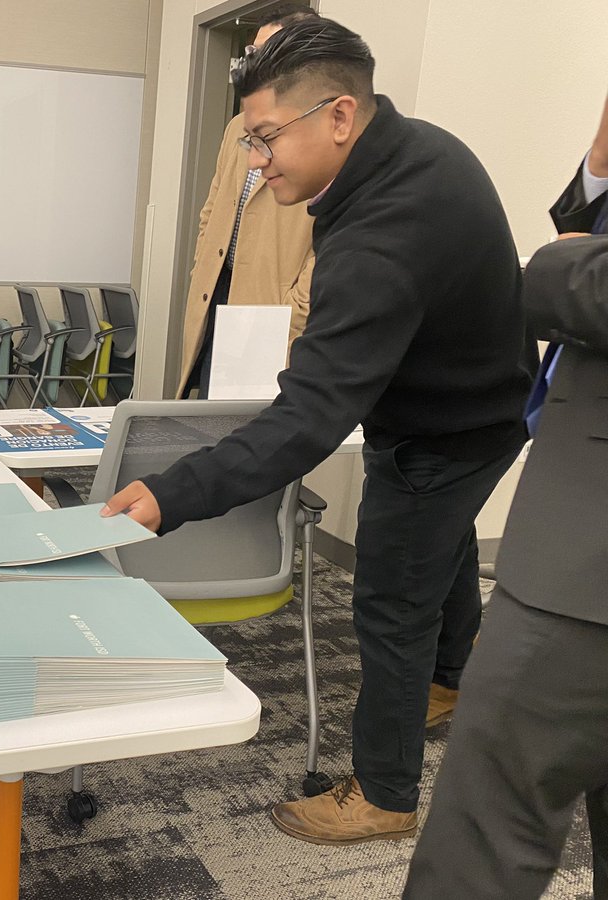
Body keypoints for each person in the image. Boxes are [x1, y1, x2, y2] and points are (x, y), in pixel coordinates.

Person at [101, 18, 536, 845]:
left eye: (266, 140)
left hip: (448, 431)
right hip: (481, 404)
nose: (258, 164)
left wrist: (171, 492)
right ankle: (451, 677)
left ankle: (385, 794)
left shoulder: (382, 234)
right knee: (436, 552)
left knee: (389, 598)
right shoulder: (412, 149)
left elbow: (305, 423)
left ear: (338, 116)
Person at [402, 92, 608, 900]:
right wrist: (597, 164)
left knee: (484, 835)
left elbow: (568, 276)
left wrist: (555, 268)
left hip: (584, 574)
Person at [179, 4, 318, 397]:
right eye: (253, 53)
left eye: (266, 52)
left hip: (270, 305)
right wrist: (202, 266)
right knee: (203, 407)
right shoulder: (237, 127)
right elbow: (213, 208)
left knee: (248, 423)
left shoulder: (321, 134)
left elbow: (333, 240)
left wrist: (294, 309)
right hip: (218, 290)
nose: (255, 64)